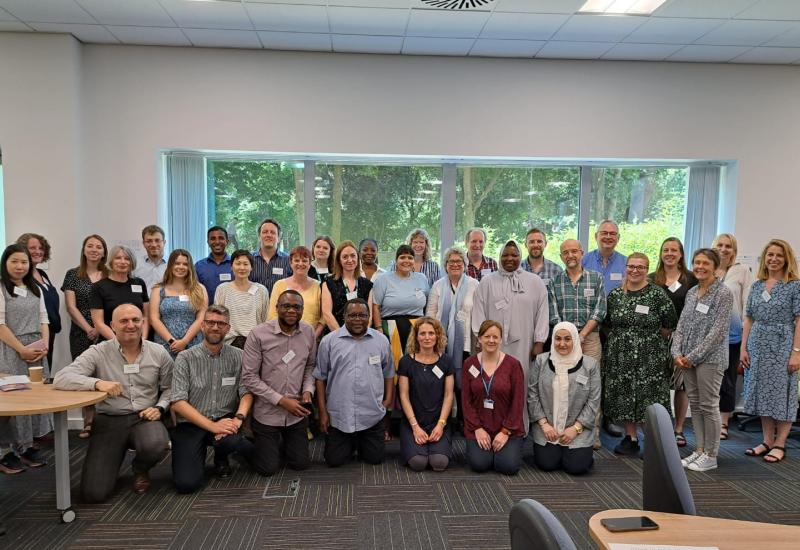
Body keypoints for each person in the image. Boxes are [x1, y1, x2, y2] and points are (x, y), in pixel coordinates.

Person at [54, 304, 172, 501]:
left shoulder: (158, 352)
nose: (131, 325)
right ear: (112, 325)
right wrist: (97, 383)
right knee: (94, 494)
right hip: (109, 420)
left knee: (157, 444)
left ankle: (140, 468)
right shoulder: (98, 352)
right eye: (124, 321)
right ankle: (110, 463)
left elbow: (170, 387)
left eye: (135, 320)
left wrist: (160, 407)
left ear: (143, 323)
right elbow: (61, 378)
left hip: (144, 417)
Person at [170, 305, 254, 491]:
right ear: (202, 325)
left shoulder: (239, 356)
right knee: (186, 484)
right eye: (210, 322)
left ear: (228, 328)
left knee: (239, 444)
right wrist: (212, 427)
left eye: (221, 323)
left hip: (225, 420)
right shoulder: (185, 358)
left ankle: (221, 455)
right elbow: (178, 402)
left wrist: (238, 420)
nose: (215, 327)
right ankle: (206, 452)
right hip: (192, 423)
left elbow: (246, 392)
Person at [604, 253, 677, 455]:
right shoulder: (616, 295)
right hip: (620, 355)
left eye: (640, 267)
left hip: (649, 355)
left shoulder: (657, 295)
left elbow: (670, 324)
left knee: (649, 399)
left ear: (647, 269)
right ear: (626, 268)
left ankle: (654, 443)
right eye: (631, 266)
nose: (635, 270)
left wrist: (645, 339)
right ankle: (631, 438)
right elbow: (607, 323)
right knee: (624, 396)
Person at [472, 239, 549, 432]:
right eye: (505, 255)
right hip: (494, 345)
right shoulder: (487, 282)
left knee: (520, 383)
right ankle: (492, 425)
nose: (509, 258)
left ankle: (517, 427)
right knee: (494, 383)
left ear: (520, 257)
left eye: (514, 255)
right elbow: (479, 311)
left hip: (524, 344)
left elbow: (542, 312)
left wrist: (539, 341)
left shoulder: (534, 282)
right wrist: (480, 338)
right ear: (499, 257)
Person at [671, 248, 733, 472]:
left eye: (705, 263)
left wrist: (693, 356)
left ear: (715, 267)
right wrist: (676, 353)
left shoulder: (723, 294)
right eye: (697, 262)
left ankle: (711, 454)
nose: (700, 267)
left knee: (709, 405)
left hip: (710, 359)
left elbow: (718, 332)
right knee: (695, 406)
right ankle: (699, 450)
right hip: (686, 359)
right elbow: (681, 326)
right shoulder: (692, 292)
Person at [243, 290, 316, 475]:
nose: (291, 310)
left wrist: (308, 390)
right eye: (286, 306)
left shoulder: (308, 332)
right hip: (267, 413)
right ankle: (254, 445)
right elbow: (250, 377)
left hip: (296, 414)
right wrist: (281, 400)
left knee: (300, 464)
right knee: (267, 469)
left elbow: (310, 366)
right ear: (276, 308)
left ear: (302, 310)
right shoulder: (258, 334)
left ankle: (278, 446)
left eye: (296, 307)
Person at [741, 239, 800, 464]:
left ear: (787, 259)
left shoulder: (794, 285)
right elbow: (749, 318)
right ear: (764, 258)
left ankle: (780, 444)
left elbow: (799, 320)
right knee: (762, 392)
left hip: (783, 344)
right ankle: (766, 440)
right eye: (770, 255)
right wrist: (743, 348)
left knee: (782, 395)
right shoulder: (757, 285)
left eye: (779, 255)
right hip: (758, 343)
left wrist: (797, 352)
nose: (774, 259)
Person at [314, 299, 394, 466]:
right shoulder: (329, 341)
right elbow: (320, 377)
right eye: (353, 315)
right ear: (344, 317)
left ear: (369, 317)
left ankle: (359, 442)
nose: (358, 319)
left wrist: (387, 402)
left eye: (362, 315)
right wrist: (322, 411)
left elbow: (388, 373)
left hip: (371, 413)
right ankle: (351, 442)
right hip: (340, 415)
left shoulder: (381, 341)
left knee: (375, 459)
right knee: (334, 461)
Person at [547, 239, 606, 448]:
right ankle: (562, 427)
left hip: (589, 339)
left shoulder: (596, 278)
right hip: (562, 340)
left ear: (582, 253)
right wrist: (568, 336)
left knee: (589, 384)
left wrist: (581, 334)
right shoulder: (555, 282)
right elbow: (553, 314)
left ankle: (592, 432)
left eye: (574, 251)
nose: (570, 255)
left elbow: (600, 310)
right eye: (565, 252)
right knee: (564, 384)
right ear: (561, 256)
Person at [0, 244, 50, 474]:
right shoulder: (1, 288)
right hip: (12, 348)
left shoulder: (34, 287)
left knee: (34, 398)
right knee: (14, 400)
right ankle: (6, 452)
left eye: (24, 262)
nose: (20, 266)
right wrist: (21, 349)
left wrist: (45, 344)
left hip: (36, 349)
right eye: (15, 261)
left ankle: (27, 446)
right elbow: (0, 325)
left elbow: (44, 319)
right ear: (5, 263)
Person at [528, 322, 600, 475]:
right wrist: (544, 424)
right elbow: (532, 394)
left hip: (578, 430)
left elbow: (594, 401)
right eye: (558, 339)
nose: (562, 344)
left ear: (575, 339)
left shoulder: (590, 365)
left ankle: (580, 452)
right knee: (546, 464)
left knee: (577, 468)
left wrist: (576, 429)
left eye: (567, 339)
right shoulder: (541, 361)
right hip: (547, 429)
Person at [648, 237, 698, 448]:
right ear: (661, 253)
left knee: (681, 385)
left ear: (680, 254)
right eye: (665, 249)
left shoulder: (691, 279)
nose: (669, 253)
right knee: (656, 383)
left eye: (674, 250)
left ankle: (678, 429)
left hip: (683, 339)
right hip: (657, 338)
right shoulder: (652, 279)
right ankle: (658, 428)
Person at [462, 320, 525, 474]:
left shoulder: (513, 365)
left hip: (507, 428)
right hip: (478, 427)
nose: (491, 340)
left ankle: (504, 448)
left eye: (495, 337)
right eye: (487, 336)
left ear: (501, 339)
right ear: (479, 339)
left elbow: (518, 401)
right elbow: (465, 400)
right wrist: (477, 428)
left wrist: (505, 431)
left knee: (508, 467)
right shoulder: (469, 364)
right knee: (480, 465)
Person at [425, 247, 478, 430]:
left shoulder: (474, 284)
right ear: (445, 265)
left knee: (465, 385)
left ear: (465, 265)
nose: (455, 265)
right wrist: (434, 340)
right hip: (441, 345)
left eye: (459, 262)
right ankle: (442, 422)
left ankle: (465, 421)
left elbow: (479, 314)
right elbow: (430, 315)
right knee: (441, 383)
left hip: (466, 344)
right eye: (451, 262)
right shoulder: (438, 285)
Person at [62, 234, 109, 439]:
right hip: (81, 333)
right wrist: (89, 327)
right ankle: (88, 421)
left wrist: (99, 327)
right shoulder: (73, 275)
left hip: (107, 330)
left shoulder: (109, 273)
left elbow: (113, 302)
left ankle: (107, 421)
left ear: (104, 252)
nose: (94, 250)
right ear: (84, 250)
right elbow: (71, 307)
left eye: (98, 247)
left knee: (107, 374)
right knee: (84, 377)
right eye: (90, 246)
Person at [398, 318, 454, 471]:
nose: (427, 337)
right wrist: (415, 426)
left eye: (431, 333)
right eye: (422, 333)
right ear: (416, 336)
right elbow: (403, 396)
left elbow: (449, 395)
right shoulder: (406, 362)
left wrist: (441, 424)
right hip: (413, 422)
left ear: (438, 336)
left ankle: (437, 443)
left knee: (439, 462)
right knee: (418, 463)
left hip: (439, 421)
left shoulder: (447, 361)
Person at [714, 233, 754, 441]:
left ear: (734, 250)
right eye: (719, 245)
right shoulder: (706, 268)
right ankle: (709, 421)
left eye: (728, 246)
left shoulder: (742, 271)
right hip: (708, 336)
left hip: (732, 335)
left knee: (727, 381)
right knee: (709, 381)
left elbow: (748, 303)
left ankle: (723, 422)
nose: (723, 249)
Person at [150, 249, 208, 357]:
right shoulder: (158, 289)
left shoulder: (199, 289)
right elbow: (154, 319)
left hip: (193, 343)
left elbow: (201, 318)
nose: (181, 267)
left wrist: (184, 341)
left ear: (190, 267)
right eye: (177, 263)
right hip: (165, 344)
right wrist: (172, 342)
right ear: (170, 265)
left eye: (185, 264)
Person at [17, 233, 61, 369]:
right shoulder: (21, 277)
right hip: (33, 334)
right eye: (33, 248)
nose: (38, 251)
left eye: (41, 248)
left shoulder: (42, 274)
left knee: (46, 371)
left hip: (48, 332)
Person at [90, 245, 150, 341]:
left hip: (137, 342)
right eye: (118, 258)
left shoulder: (139, 283)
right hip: (110, 342)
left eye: (127, 259)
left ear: (131, 262)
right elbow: (98, 323)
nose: (123, 262)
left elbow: (146, 316)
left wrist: (143, 339)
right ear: (111, 262)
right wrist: (119, 343)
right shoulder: (99, 287)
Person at [213, 250, 269, 349]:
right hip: (227, 344)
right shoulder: (222, 289)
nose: (242, 267)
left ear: (251, 267)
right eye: (238, 263)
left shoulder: (261, 290)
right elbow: (217, 319)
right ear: (231, 266)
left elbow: (265, 320)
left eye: (245, 264)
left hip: (254, 344)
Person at [268, 246, 324, 339]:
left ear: (310, 264)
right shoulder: (279, 285)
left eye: (305, 261)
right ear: (290, 263)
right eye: (297, 260)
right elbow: (272, 315)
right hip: (282, 338)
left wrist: (313, 337)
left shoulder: (319, 286)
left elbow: (323, 318)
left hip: (310, 338)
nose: (300, 264)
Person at [322, 240, 374, 332]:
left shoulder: (367, 285)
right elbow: (327, 313)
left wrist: (362, 335)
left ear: (358, 258)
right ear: (339, 260)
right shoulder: (328, 283)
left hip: (361, 336)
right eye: (345, 257)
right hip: (336, 335)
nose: (350, 260)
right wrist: (341, 336)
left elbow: (369, 315)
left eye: (353, 256)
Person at [582, 219, 627, 296]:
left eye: (612, 233)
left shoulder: (626, 263)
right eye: (604, 233)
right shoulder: (583, 261)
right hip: (589, 307)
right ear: (596, 236)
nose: (608, 237)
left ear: (618, 238)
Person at [250, 218, 292, 294]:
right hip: (254, 305)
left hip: (280, 305)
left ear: (278, 238)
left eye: (272, 232)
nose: (268, 235)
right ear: (259, 237)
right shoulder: (249, 259)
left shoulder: (288, 260)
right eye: (265, 232)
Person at [195, 226, 233, 300]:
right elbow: (195, 293)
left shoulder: (236, 265)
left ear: (227, 241)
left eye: (221, 238)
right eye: (213, 239)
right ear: (208, 242)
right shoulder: (198, 266)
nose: (217, 242)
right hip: (206, 310)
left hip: (233, 310)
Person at [133, 225, 167, 294]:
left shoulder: (172, 265)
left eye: (157, 240)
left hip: (165, 304)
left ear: (164, 242)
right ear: (143, 243)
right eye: (149, 241)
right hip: (141, 304)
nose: (154, 245)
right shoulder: (135, 265)